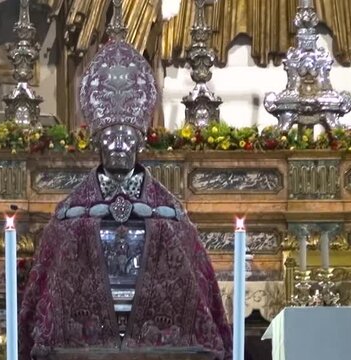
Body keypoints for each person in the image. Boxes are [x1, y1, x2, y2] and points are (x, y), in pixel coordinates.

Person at [18, 35, 232, 360]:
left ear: (140, 143)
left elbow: (196, 293)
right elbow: (46, 299)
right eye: (111, 140)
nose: (119, 148)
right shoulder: (69, 216)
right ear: (97, 145)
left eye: (126, 139)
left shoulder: (170, 216)